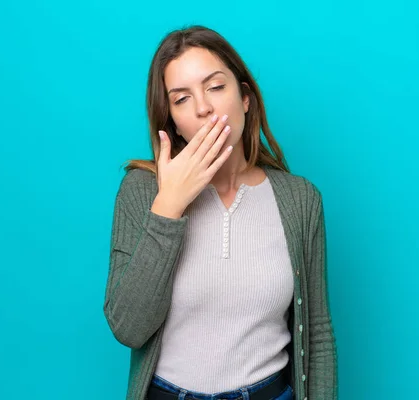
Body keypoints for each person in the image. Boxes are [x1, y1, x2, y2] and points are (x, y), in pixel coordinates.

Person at [104, 25, 337, 400]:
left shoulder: (301, 200)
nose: (203, 107)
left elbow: (318, 331)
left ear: (245, 97)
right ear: (173, 124)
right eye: (181, 99)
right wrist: (169, 206)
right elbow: (128, 328)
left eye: (215, 87)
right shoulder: (143, 190)